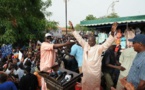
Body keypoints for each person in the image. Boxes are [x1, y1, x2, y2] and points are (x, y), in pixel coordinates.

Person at [69, 21, 117, 90]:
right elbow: (79, 38)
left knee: (94, 87)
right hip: (86, 72)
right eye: (89, 41)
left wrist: (112, 32)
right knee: (85, 85)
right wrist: (73, 29)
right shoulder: (85, 45)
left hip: (95, 74)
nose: (89, 42)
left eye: (91, 41)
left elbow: (108, 43)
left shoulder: (99, 48)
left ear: (95, 41)